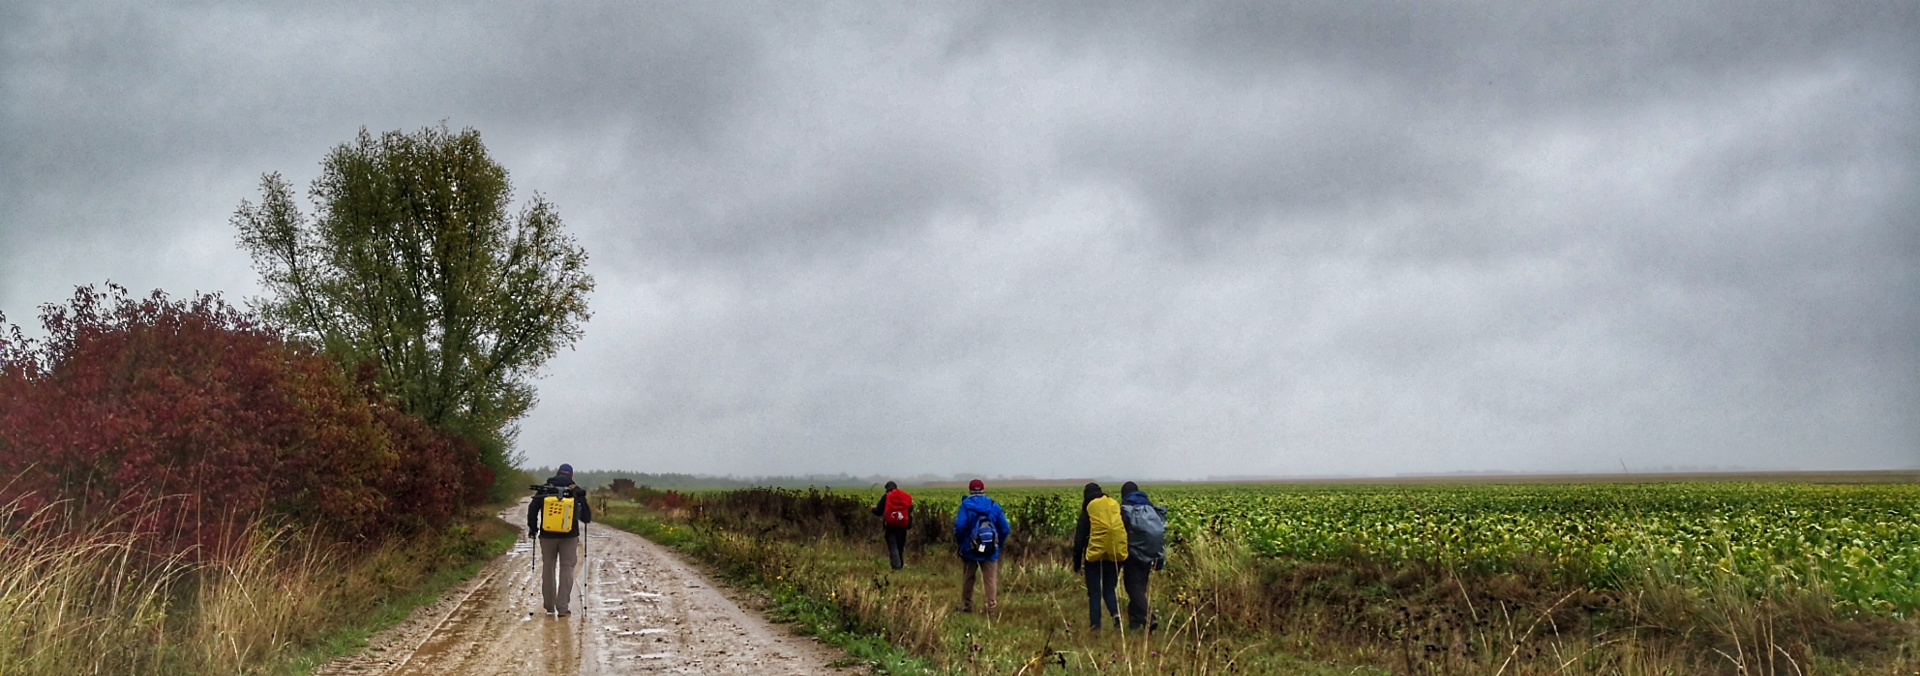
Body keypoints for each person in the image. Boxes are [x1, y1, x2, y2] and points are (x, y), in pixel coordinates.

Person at [526, 463, 592, 617]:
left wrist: (533, 529)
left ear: (557, 473)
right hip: (569, 536)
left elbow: (532, 509)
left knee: (548, 568)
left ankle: (549, 606)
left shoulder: (545, 489)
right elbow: (586, 518)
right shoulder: (575, 491)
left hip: (547, 535)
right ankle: (562, 608)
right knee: (567, 569)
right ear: (571, 475)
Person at [1071, 482, 1128, 631]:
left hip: (1094, 557)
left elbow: (1079, 541)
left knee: (1094, 592)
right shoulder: (1113, 506)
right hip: (1114, 553)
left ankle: (1095, 625)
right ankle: (1116, 615)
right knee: (1109, 589)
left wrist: (1076, 564)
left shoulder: (1088, 511)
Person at [951, 479, 1010, 613]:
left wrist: (961, 543)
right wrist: (998, 544)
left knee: (968, 577)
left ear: (970, 490)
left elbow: (960, 526)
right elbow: (1005, 528)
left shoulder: (966, 505)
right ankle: (990, 608)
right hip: (990, 549)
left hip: (969, 548)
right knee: (990, 580)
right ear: (984, 490)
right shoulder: (993, 505)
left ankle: (967, 605)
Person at [1118, 481, 1168, 631]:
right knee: (1140, 587)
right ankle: (1135, 623)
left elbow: (1121, 532)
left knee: (1132, 587)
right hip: (1149, 553)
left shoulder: (1125, 508)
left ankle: (1149, 617)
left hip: (1133, 553)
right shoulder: (1150, 507)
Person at [869, 480, 913, 570]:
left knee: (893, 546)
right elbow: (910, 509)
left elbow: (879, 511)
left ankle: (896, 566)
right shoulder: (903, 496)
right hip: (902, 526)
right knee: (900, 547)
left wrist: (873, 509)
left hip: (890, 526)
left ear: (887, 488)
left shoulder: (886, 496)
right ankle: (900, 565)